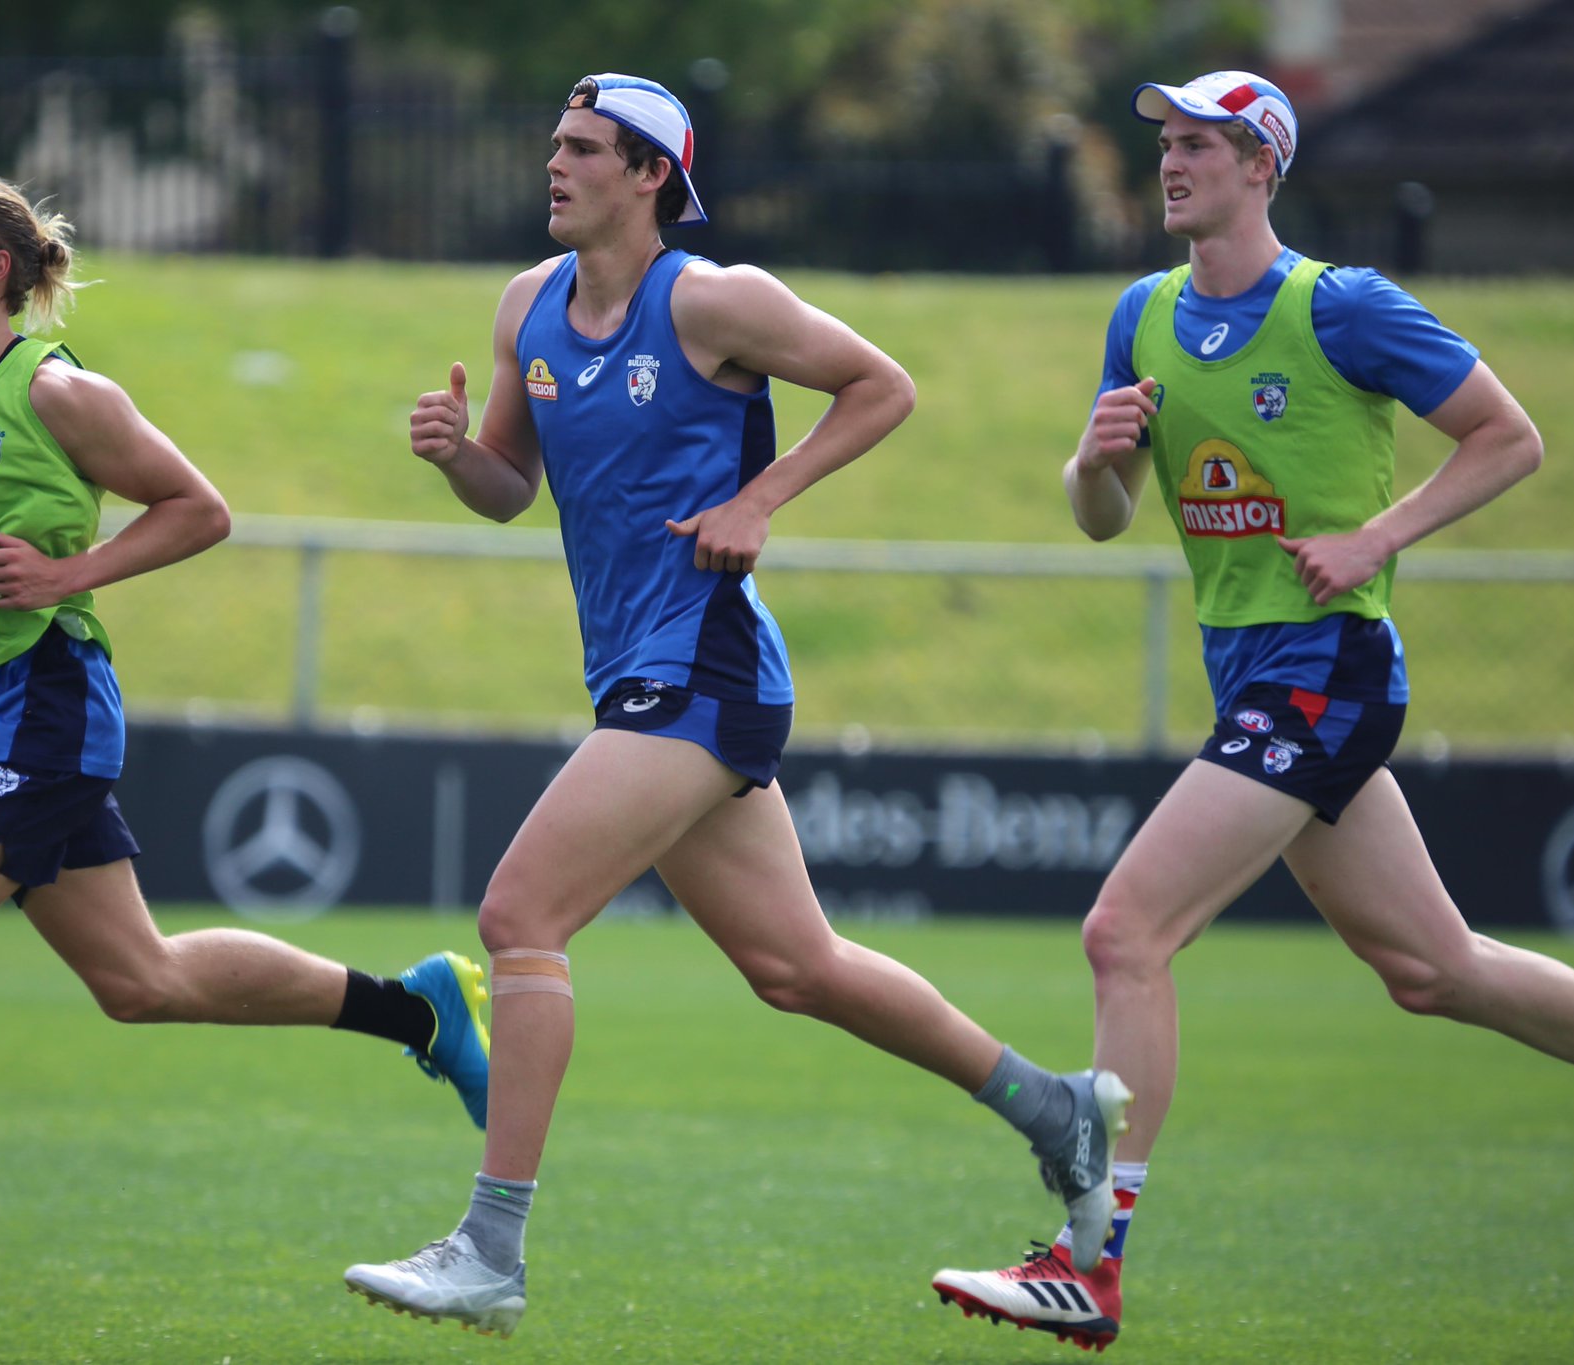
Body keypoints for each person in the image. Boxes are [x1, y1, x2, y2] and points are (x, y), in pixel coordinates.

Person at [340, 73, 1129, 1340]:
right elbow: (508, 489)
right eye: (553, 143)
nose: (555, 165)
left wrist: (762, 499)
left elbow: (882, 385)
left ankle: (489, 1249)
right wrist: (454, 458)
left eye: (584, 149)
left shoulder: (711, 299)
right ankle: (1053, 1110)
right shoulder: (525, 307)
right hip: (641, 672)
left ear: (649, 175)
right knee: (795, 968)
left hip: (703, 665)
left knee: (517, 913)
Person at [929, 71, 1574, 1354]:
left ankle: (1087, 1265)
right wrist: (1093, 463)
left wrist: (1373, 538)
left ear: (1261, 165)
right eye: (1162, 144)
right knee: (1432, 970)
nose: (1169, 163)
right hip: (1259, 682)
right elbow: (1099, 518)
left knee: (1123, 932)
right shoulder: (1141, 313)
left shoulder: (1341, 305)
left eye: (1199, 147)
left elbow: (1509, 438)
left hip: (1326, 670)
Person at [0, 174, 492, 1346]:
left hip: (45, 709)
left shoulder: (60, 394)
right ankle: (416, 1012)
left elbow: (199, 509)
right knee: (143, 983)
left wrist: (71, 574)